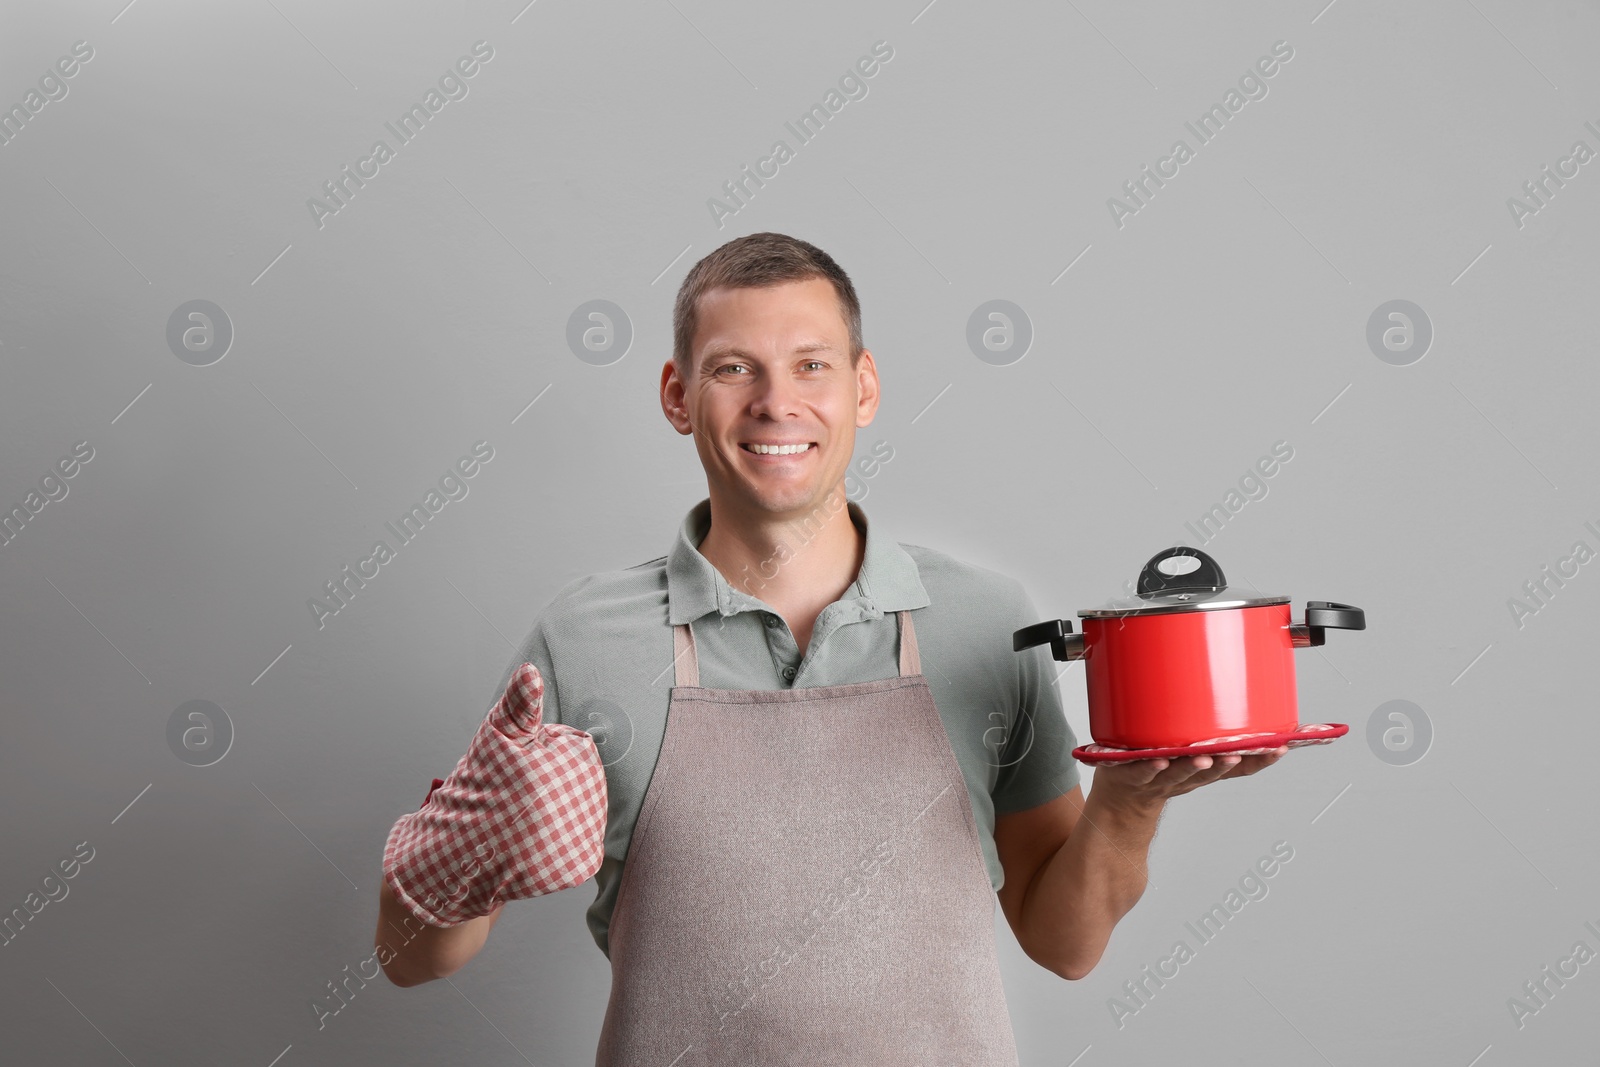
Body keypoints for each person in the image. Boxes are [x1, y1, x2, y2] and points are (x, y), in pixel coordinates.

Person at [375, 232, 1287, 1063]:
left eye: (811, 365)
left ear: (863, 387)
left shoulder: (982, 620)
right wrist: (463, 857)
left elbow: (1065, 943)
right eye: (735, 368)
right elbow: (410, 962)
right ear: (677, 395)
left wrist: (1127, 801)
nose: (778, 403)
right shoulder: (582, 642)